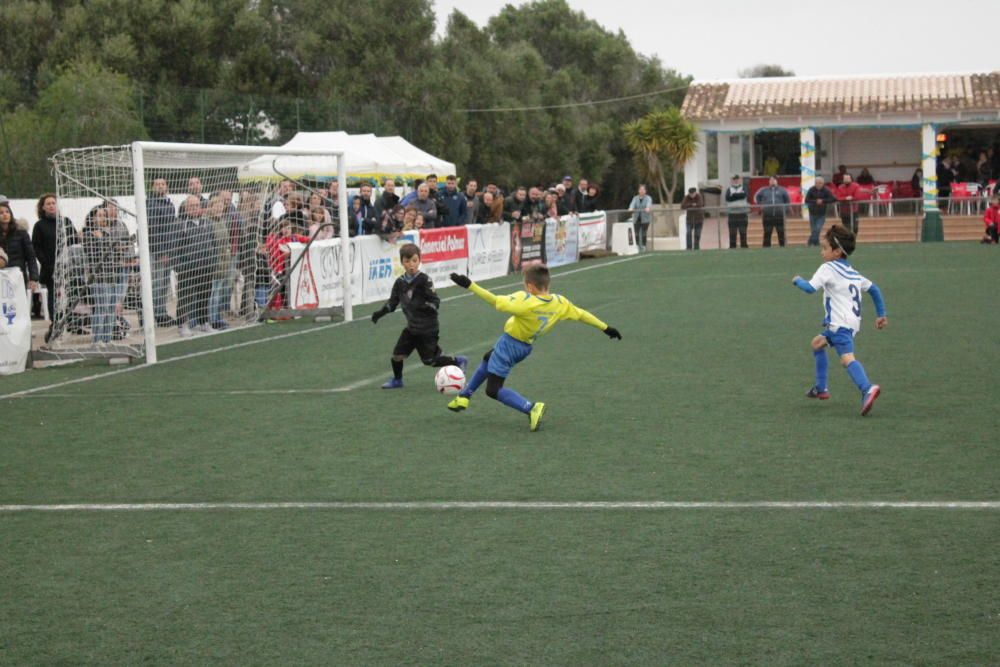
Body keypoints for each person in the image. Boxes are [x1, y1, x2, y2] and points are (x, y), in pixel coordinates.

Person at [445, 265, 621, 431]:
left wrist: (469, 285)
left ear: (530, 286)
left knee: (493, 390)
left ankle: (531, 408)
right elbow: (582, 314)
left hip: (509, 345)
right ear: (547, 284)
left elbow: (495, 301)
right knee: (488, 358)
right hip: (525, 346)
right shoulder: (559, 302)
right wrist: (605, 328)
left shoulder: (526, 301)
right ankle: (464, 397)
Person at [793, 223, 887, 416]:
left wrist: (797, 280)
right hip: (851, 324)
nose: (822, 253)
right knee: (818, 343)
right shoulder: (854, 273)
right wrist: (881, 314)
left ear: (837, 252)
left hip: (839, 324)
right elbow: (874, 290)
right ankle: (821, 388)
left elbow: (810, 288)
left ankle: (867, 388)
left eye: (825, 248)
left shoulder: (828, 268)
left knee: (847, 359)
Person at [370, 243, 467, 389]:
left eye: (414, 261)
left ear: (419, 260)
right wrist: (380, 313)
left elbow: (435, 301)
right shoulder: (400, 282)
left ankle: (458, 361)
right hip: (412, 328)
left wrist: (427, 307)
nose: (411, 265)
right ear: (402, 262)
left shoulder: (424, 280)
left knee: (430, 361)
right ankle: (397, 380)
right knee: (397, 355)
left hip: (428, 328)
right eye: (407, 261)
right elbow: (392, 302)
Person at [31, 193, 78, 326]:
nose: (51, 206)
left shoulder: (66, 221)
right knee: (53, 296)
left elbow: (74, 241)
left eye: (53, 203)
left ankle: (72, 321)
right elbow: (36, 248)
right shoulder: (39, 226)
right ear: (43, 208)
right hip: (50, 268)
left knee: (71, 294)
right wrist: (47, 264)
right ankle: (55, 323)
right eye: (48, 204)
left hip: (67, 266)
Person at [0, 202, 39, 293]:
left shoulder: (21, 232)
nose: (5, 214)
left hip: (18, 277)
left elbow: (31, 257)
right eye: (1, 213)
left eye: (7, 212)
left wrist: (34, 278)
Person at [754, 176, 790, 247]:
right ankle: (766, 249)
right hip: (767, 215)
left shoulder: (782, 190)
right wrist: (760, 205)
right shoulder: (763, 190)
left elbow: (787, 201)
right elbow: (756, 197)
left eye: (774, 180)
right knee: (767, 232)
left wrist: (784, 210)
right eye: (770, 180)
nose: (772, 181)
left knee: (781, 232)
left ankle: (782, 248)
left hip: (779, 216)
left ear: (777, 181)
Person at [804, 177, 837, 246]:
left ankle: (811, 242)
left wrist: (823, 201)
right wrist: (815, 201)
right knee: (813, 230)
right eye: (816, 183)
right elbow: (806, 200)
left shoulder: (826, 190)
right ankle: (816, 243)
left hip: (822, 213)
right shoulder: (811, 189)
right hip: (812, 213)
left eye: (820, 183)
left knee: (818, 228)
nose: (818, 184)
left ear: (823, 183)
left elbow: (833, 199)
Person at [724, 175, 749, 248]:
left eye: (737, 179)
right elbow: (728, 198)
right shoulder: (729, 189)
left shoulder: (744, 188)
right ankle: (732, 248)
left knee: (743, 233)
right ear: (732, 180)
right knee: (732, 233)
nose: (736, 181)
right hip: (732, 215)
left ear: (740, 180)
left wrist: (734, 195)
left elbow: (744, 195)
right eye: (734, 179)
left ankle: (744, 248)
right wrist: (739, 196)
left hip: (742, 214)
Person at [628, 184, 653, 251]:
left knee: (644, 233)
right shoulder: (635, 198)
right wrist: (631, 208)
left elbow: (649, 204)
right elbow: (632, 204)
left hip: (645, 219)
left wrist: (648, 208)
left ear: (645, 191)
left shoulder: (648, 198)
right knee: (636, 233)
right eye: (640, 189)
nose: (642, 191)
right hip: (636, 218)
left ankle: (644, 246)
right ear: (638, 191)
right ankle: (637, 246)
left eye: (643, 189)